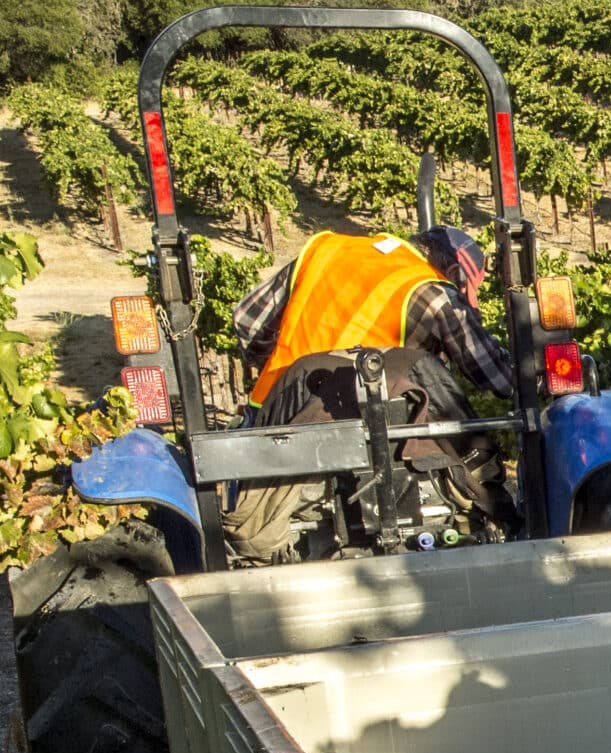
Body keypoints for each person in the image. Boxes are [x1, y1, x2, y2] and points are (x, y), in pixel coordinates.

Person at [220, 226, 519, 560]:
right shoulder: (433, 292)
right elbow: (498, 378)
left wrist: (286, 370)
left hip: (284, 428)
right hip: (378, 440)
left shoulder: (323, 250)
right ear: (453, 272)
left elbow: (246, 321)